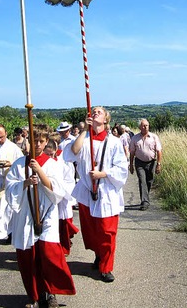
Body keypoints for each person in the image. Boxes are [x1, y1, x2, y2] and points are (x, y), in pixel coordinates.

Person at [6, 128, 76, 308]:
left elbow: (58, 190)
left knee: (48, 255)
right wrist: (26, 182)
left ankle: (50, 292)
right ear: (28, 142)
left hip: (47, 214)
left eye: (41, 141)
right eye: (34, 141)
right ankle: (34, 296)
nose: (37, 145)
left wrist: (40, 172)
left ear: (46, 143)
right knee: (29, 257)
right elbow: (10, 189)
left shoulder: (52, 164)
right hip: (26, 214)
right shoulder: (19, 164)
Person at [67, 106, 128, 283]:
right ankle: (99, 255)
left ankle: (106, 267)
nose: (94, 113)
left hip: (107, 192)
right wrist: (85, 130)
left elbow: (122, 168)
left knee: (107, 232)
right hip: (87, 192)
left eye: (99, 112)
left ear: (106, 119)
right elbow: (73, 152)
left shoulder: (114, 142)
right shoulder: (85, 139)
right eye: (93, 111)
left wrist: (104, 174)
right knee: (92, 231)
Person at [0, 124, 24, 246]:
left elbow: (21, 165)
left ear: (6, 134)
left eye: (1, 136)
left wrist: (10, 164)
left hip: (9, 182)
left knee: (8, 210)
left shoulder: (14, 148)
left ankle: (10, 234)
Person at [44, 139, 79, 256]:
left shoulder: (63, 161)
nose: (49, 156)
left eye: (51, 154)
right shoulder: (43, 162)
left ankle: (64, 247)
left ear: (55, 150)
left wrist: (61, 191)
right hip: (47, 196)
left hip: (62, 195)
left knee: (63, 224)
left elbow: (69, 178)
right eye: (47, 154)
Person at [129, 118, 163, 211]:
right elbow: (132, 152)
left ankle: (145, 197)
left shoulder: (154, 137)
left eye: (147, 125)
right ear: (140, 127)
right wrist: (131, 165)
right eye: (143, 125)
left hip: (151, 162)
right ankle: (144, 202)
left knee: (149, 181)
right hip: (139, 162)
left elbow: (159, 151)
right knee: (142, 180)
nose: (145, 127)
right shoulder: (135, 138)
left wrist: (158, 164)